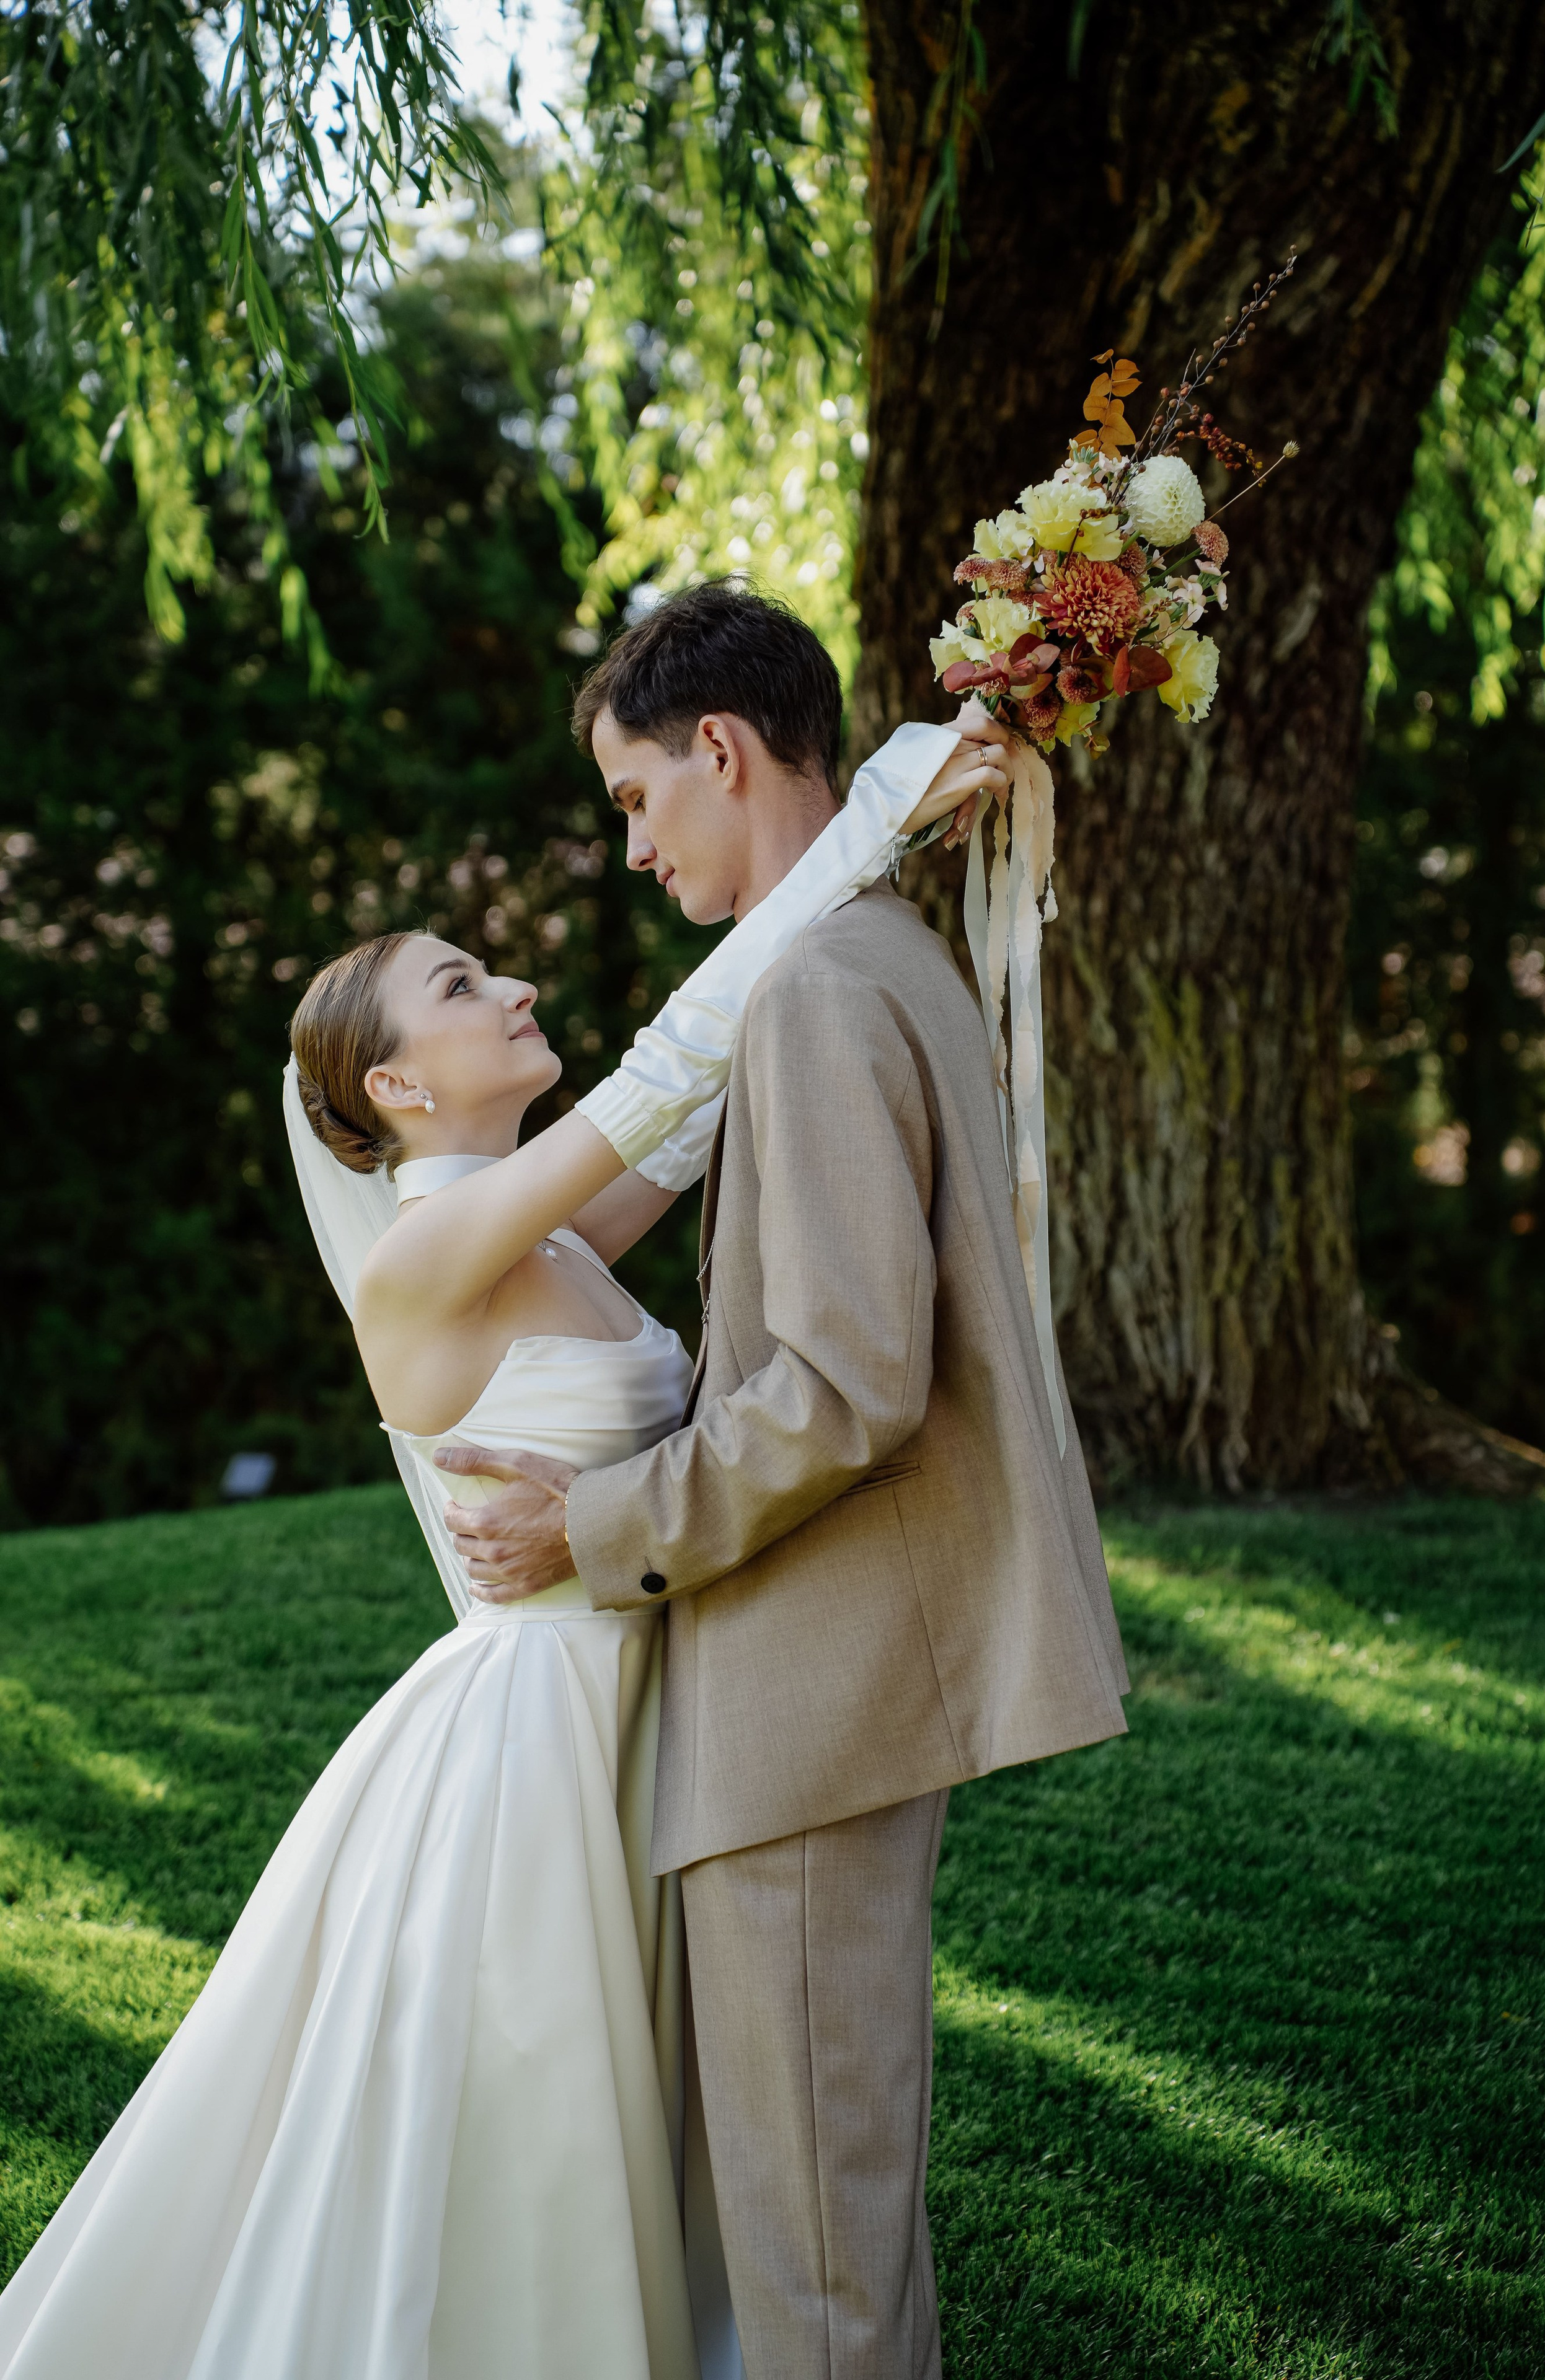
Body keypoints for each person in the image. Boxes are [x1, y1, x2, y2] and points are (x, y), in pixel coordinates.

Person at [0, 593, 998, 2380]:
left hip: (649, 1704)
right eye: (466, 987)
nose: (517, 980)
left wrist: (875, 847)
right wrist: (879, 806)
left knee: (674, 2122)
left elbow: (685, 1112)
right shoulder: (425, 1255)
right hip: (537, 1745)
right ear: (391, 1086)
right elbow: (672, 1069)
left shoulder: (544, 1233)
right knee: (535, 2132)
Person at [443, 581, 1132, 2380]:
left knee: (816, 2264)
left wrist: (592, 1526)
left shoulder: (821, 988)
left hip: (807, 1706)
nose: (632, 849)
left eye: (634, 799)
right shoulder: (875, 952)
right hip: (816, 1691)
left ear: (723, 751)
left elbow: (838, 1386)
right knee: (817, 2223)